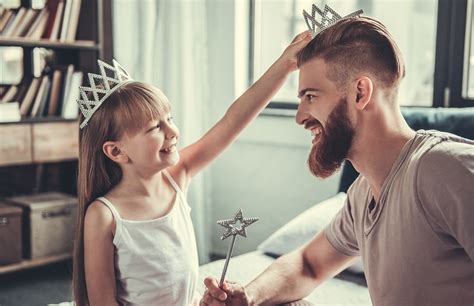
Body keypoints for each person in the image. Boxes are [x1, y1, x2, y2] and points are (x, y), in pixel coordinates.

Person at [201, 16, 474, 306]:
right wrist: (249, 297)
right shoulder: (363, 193)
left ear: (360, 93)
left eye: (311, 96)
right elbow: (308, 264)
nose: (300, 117)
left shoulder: (443, 169)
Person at [72, 31, 312, 306]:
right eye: (154, 127)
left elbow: (232, 122)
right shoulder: (103, 216)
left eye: (169, 118)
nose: (172, 131)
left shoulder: (176, 177)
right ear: (116, 151)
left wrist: (284, 65)